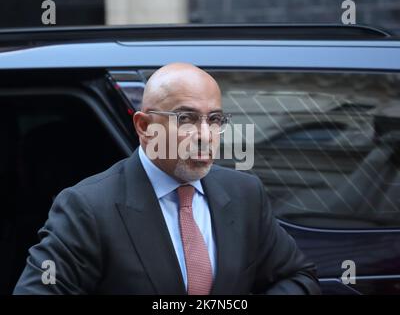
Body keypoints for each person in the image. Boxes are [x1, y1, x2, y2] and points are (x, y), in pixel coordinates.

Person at [13, 63, 321, 295]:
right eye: (185, 118)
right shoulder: (89, 207)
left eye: (214, 120)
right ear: (145, 126)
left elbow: (300, 278)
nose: (204, 135)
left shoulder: (244, 193)